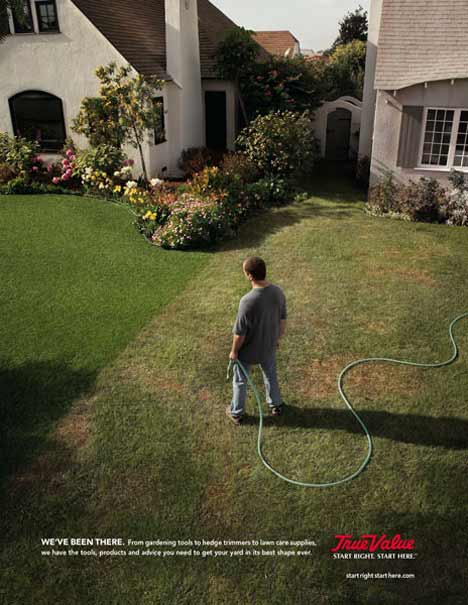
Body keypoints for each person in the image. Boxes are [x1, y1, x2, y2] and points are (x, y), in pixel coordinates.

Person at [226, 257, 287, 425]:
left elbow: (239, 333)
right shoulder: (278, 292)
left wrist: (234, 351)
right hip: (269, 347)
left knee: (240, 381)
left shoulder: (247, 301)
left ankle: (237, 413)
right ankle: (276, 405)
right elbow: (282, 321)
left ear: (249, 276)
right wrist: (275, 340)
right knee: (270, 375)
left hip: (248, 352)